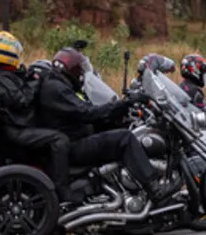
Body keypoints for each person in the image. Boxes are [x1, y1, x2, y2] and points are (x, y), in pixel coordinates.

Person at [38, 47, 177, 206]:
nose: (81, 75)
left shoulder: (55, 84)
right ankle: (154, 190)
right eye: (79, 70)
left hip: (73, 137)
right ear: (71, 69)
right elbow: (86, 112)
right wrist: (122, 104)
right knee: (125, 138)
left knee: (116, 130)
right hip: (75, 144)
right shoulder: (57, 89)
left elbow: (80, 112)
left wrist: (117, 113)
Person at [0, 32, 73, 204]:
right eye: (14, 51)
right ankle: (62, 192)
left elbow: (19, 87)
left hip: (18, 126)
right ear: (4, 53)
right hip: (16, 131)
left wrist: (28, 75)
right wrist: (37, 80)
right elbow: (23, 100)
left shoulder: (3, 75)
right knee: (59, 140)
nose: (17, 55)